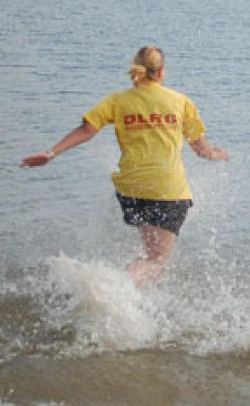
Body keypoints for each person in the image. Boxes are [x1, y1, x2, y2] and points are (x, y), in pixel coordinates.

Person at [20, 46, 228, 286]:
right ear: (161, 72)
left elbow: (87, 130)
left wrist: (51, 152)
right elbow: (202, 150)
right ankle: (120, 281)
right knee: (157, 261)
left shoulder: (118, 101)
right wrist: (218, 154)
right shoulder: (180, 102)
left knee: (151, 254)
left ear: (137, 70)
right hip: (168, 191)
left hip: (132, 191)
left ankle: (126, 296)